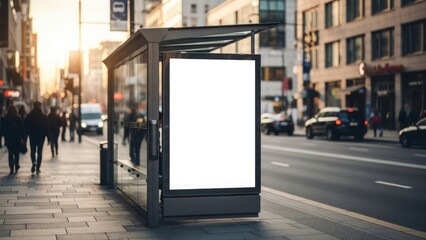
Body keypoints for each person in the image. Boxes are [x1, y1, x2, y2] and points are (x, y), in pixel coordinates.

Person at [26, 101, 49, 174]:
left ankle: (34, 162)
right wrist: (48, 137)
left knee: (33, 151)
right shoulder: (44, 116)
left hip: (32, 136)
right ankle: (38, 167)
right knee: (39, 152)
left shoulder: (29, 116)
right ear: (40, 106)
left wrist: (25, 137)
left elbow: (26, 128)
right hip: (41, 137)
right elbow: (46, 128)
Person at [2, 105, 25, 174]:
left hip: (9, 139)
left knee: (10, 153)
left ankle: (11, 167)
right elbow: (22, 129)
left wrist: (5, 136)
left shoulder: (6, 118)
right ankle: (16, 165)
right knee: (16, 153)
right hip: (17, 139)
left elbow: (3, 129)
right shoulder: (18, 118)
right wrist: (24, 138)